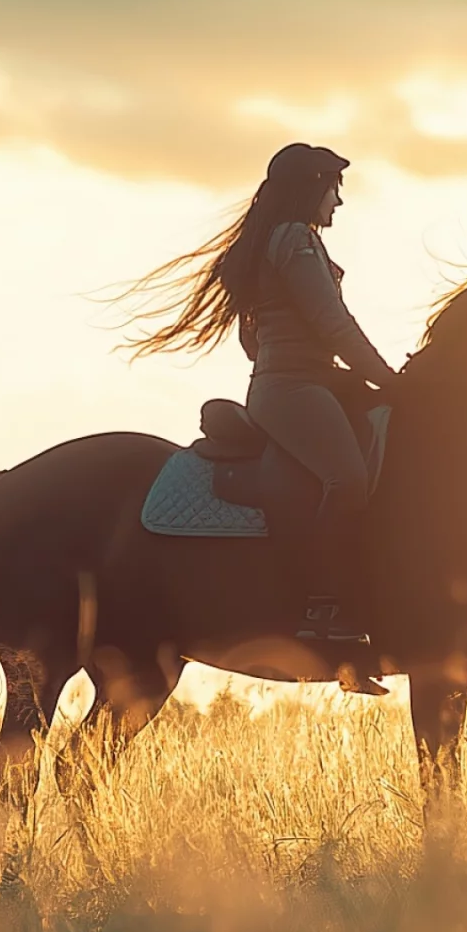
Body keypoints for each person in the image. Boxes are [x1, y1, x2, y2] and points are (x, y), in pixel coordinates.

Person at [123, 143, 397, 642]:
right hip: (295, 388)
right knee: (348, 479)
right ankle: (322, 609)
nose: (337, 202)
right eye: (332, 189)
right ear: (311, 187)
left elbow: (254, 340)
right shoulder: (294, 238)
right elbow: (333, 324)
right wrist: (389, 379)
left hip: (298, 381)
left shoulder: (281, 241)